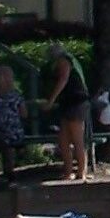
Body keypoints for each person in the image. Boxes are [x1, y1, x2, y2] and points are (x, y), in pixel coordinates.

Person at [42, 45, 89, 182]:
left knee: (77, 139)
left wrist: (51, 100)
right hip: (67, 103)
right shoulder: (62, 62)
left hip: (77, 102)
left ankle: (82, 172)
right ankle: (68, 172)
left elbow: (63, 79)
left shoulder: (64, 61)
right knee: (63, 140)